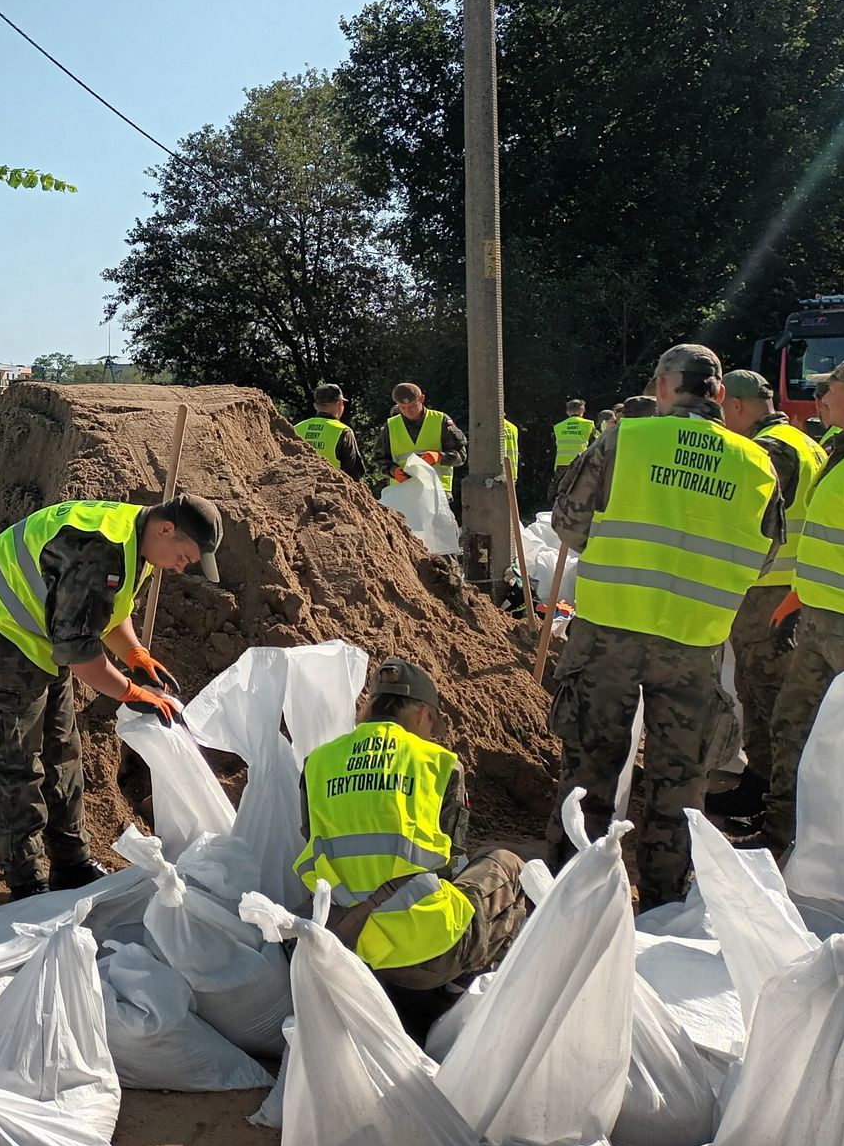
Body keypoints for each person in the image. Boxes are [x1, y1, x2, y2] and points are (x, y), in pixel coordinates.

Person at [550, 344, 782, 907]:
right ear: (720, 394)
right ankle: (662, 899)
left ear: (662, 385)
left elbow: (568, 523)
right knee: (680, 781)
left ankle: (574, 894)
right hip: (695, 639)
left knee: (591, 763)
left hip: (609, 628)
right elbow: (766, 558)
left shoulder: (626, 437)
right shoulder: (755, 462)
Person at [0, 495, 223, 899]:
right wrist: (130, 691)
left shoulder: (134, 538)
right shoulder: (99, 549)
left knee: (62, 752)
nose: (180, 567)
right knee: (12, 765)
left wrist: (134, 654)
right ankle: (26, 881)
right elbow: (80, 654)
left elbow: (109, 610)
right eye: (183, 557)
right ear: (166, 529)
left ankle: (72, 864)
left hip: (38, 638)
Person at [296, 659, 530, 989]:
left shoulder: (317, 763)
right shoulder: (439, 764)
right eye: (431, 723)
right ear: (422, 713)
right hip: (426, 950)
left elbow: (312, 838)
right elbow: (448, 862)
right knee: (509, 867)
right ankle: (471, 993)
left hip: (342, 941)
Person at [763, 355, 844, 849]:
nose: (821, 398)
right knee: (793, 727)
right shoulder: (843, 448)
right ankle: (786, 841)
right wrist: (798, 600)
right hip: (823, 623)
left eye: (830, 388)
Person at [706, 369, 824, 827]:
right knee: (759, 693)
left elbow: (742, 513)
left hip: (770, 592)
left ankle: (777, 803)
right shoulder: (799, 440)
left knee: (768, 695)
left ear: (733, 406)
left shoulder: (768, 450)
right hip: (783, 589)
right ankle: (760, 786)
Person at [379, 383, 467, 495]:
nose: (408, 411)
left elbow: (461, 456)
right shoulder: (391, 426)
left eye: (412, 406)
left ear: (421, 399)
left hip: (436, 493)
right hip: (403, 494)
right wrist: (393, 471)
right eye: (402, 407)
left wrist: (440, 457)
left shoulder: (440, 421)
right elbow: (379, 458)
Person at [294, 383, 366, 480]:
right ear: (340, 403)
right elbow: (354, 472)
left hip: (299, 487)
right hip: (332, 490)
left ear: (315, 405)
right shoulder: (343, 431)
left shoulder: (296, 428)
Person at [552, 400, 596, 482]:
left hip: (561, 463)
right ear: (582, 410)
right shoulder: (589, 424)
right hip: (580, 463)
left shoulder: (558, 426)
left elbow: (554, 446)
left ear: (567, 412)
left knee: (561, 490)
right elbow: (594, 445)